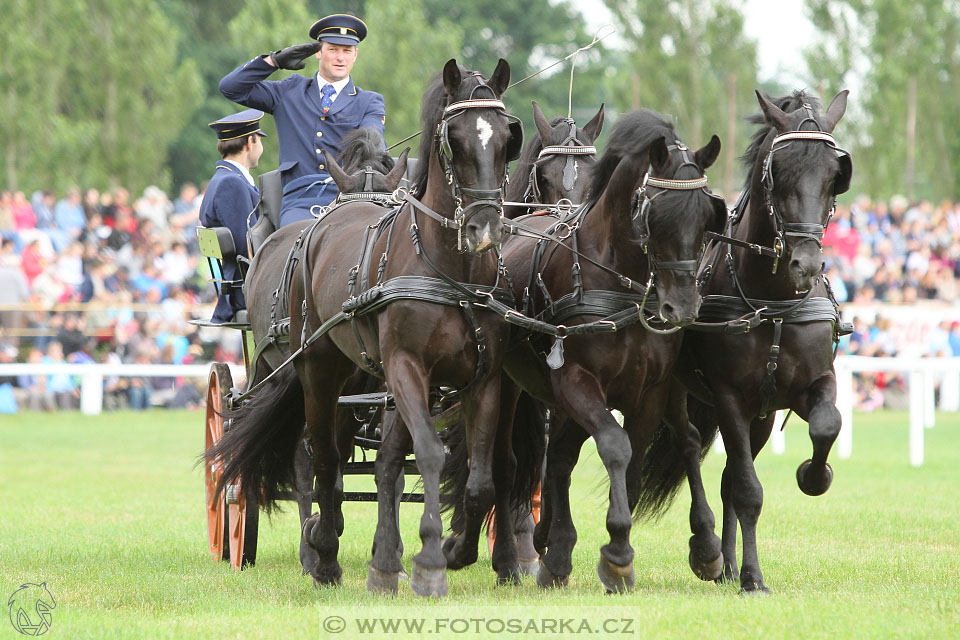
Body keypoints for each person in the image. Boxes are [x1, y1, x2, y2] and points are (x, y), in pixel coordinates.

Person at [219, 13, 385, 227]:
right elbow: (230, 88)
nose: (340, 58)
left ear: (355, 54)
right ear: (318, 52)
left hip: (349, 199)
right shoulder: (289, 91)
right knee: (294, 246)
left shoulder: (369, 102)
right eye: (332, 49)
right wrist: (273, 61)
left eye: (347, 51)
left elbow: (374, 143)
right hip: (300, 201)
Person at [198, 108, 266, 323]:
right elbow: (248, 244)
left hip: (241, 285)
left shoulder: (223, 178)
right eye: (259, 140)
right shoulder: (231, 183)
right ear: (249, 142)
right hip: (245, 290)